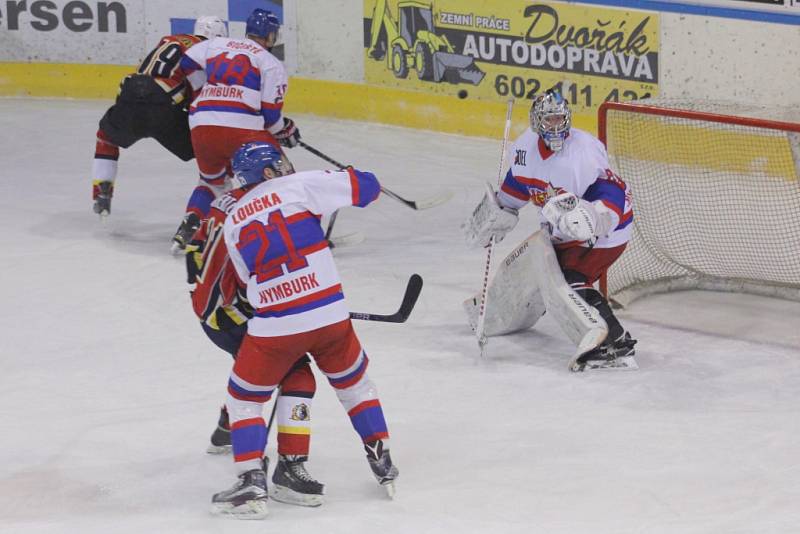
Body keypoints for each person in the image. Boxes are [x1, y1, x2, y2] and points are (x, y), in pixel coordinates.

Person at [208, 142, 397, 519]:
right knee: (355, 386)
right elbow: (369, 187)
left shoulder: (233, 222)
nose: (285, 167)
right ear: (266, 173)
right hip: (330, 317)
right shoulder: (298, 186)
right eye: (278, 164)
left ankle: (250, 482)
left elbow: (247, 280)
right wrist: (347, 175)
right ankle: (382, 462)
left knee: (244, 399)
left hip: (275, 326)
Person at [463, 89, 636, 367]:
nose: (555, 126)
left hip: (605, 231)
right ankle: (499, 311)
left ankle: (614, 344)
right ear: (536, 122)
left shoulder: (583, 152)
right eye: (549, 120)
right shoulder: (524, 150)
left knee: (567, 280)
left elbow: (610, 190)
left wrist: (596, 218)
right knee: (539, 266)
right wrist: (499, 211)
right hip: (561, 232)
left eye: (559, 119)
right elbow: (518, 187)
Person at [185, 187, 324, 507]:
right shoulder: (262, 211)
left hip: (213, 314)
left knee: (251, 373)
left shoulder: (226, 203)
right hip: (237, 314)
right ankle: (289, 467)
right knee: (298, 373)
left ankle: (227, 428)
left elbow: (196, 261)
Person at [172, 8, 301, 252]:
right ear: (271, 36)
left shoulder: (219, 44)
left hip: (202, 125)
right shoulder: (271, 63)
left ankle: (189, 231)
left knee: (211, 182)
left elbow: (187, 60)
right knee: (281, 177)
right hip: (241, 131)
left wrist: (203, 93)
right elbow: (272, 121)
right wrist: (287, 131)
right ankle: (292, 233)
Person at [91, 16, 228, 218]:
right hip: (162, 103)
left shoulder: (170, 39)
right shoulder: (207, 51)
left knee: (105, 137)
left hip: (131, 89)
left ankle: (102, 192)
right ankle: (197, 218)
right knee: (211, 156)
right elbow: (199, 95)